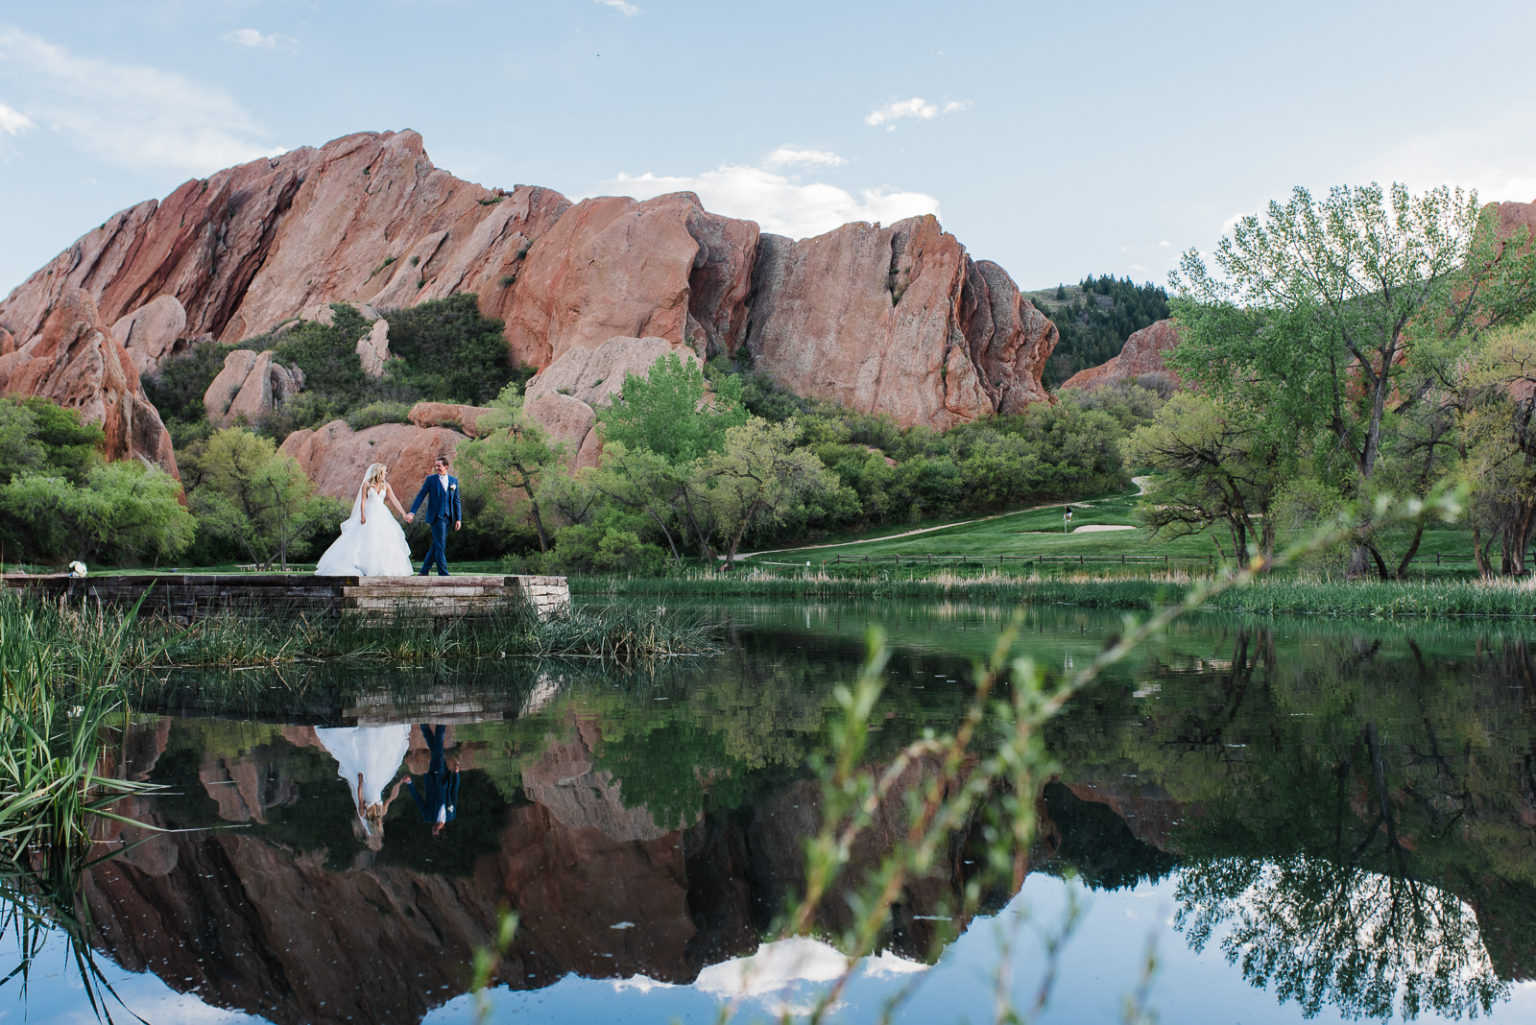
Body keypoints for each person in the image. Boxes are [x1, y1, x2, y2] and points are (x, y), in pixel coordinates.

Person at [313, 722, 411, 850]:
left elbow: (379, 796)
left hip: (373, 783)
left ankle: (368, 730)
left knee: (372, 759)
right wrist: (399, 783)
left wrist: (361, 782)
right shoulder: (373, 813)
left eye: (380, 825)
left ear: (377, 824)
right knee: (372, 758)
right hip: (373, 783)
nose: (381, 823)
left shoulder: (373, 812)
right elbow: (383, 796)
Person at [315, 463, 414, 577]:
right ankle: (363, 566)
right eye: (384, 472)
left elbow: (394, 500)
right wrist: (362, 515)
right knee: (366, 538)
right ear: (378, 472)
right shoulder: (367, 484)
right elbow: (362, 501)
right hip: (369, 512)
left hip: (382, 513)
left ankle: (382, 567)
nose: (385, 474)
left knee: (383, 539)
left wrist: (404, 514)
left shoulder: (386, 485)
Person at [405, 455, 462, 576]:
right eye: (435, 466)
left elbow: (457, 501)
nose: (436, 468)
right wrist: (412, 512)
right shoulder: (430, 480)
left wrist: (459, 519)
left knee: (437, 544)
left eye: (439, 466)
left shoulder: (454, 481)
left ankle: (424, 571)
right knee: (441, 544)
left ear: (446, 466)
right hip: (436, 517)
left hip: (449, 518)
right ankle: (443, 573)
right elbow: (421, 495)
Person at [401, 723, 460, 837]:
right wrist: (456, 775)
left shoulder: (428, 816)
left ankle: (439, 725)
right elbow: (454, 793)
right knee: (436, 751)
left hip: (432, 779)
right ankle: (429, 726)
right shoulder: (451, 814)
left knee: (437, 751)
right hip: (444, 777)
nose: (432, 829)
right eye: (435, 831)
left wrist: (410, 783)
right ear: (441, 830)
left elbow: (418, 800)